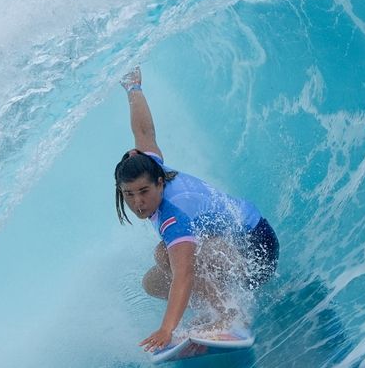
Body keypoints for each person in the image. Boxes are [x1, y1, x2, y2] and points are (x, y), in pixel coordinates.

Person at [113, 67, 280, 353]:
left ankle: (229, 314)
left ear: (159, 183)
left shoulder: (173, 214)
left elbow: (186, 273)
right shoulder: (151, 166)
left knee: (168, 256)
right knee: (153, 282)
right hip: (233, 250)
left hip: (256, 252)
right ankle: (215, 309)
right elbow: (143, 131)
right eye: (129, 194)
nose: (138, 202)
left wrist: (168, 329)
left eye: (144, 192)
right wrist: (133, 88)